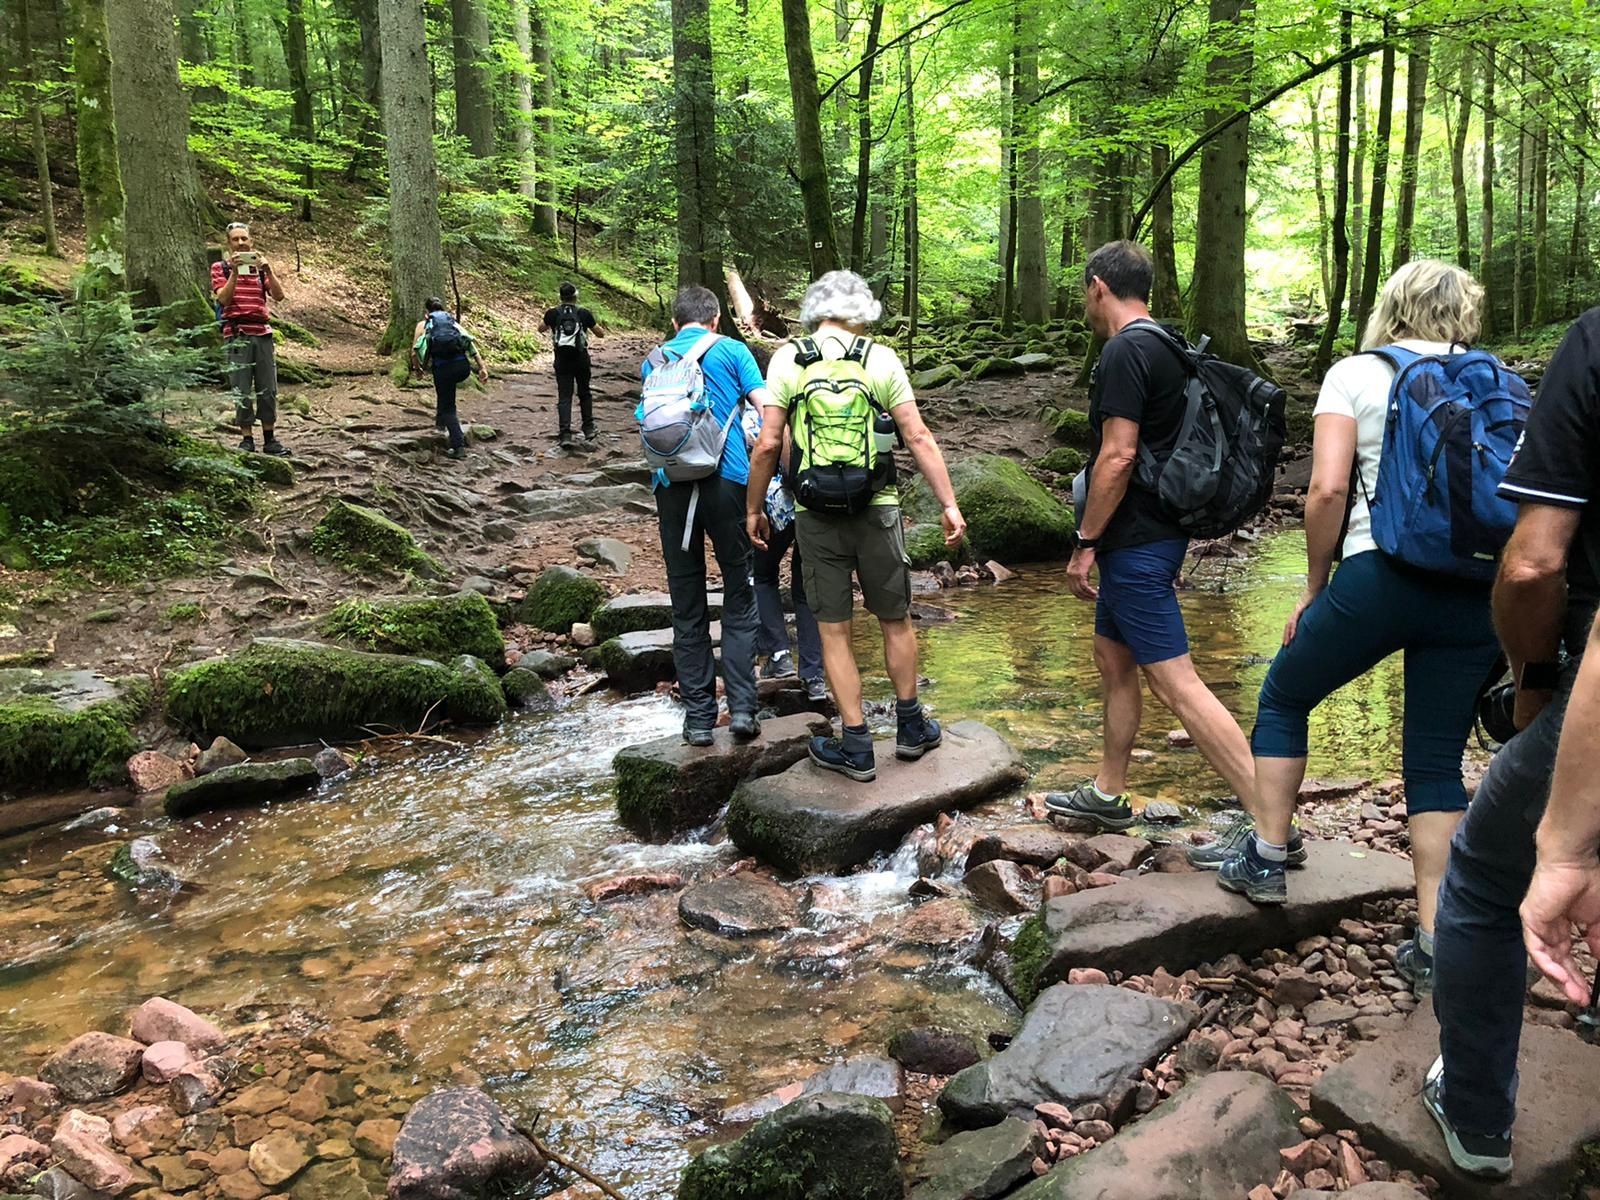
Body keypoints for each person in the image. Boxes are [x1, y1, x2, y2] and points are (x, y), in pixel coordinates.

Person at [1209, 262, 1502, 982]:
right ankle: (1436, 943)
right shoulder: (1495, 379)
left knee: (1285, 694)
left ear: (1391, 306)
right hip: (1477, 589)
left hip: (1381, 576)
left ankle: (1266, 857)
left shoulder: (1357, 373)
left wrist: (1315, 584)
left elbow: (1327, 488)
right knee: (1435, 760)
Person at [1423, 305, 1600, 1180]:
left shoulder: (1594, 342)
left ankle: (1477, 1116)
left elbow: (1534, 562)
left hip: (1587, 681)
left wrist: (1533, 680)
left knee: (1489, 878)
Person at [1048, 240, 1256, 829]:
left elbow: (1118, 456)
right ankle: (1108, 793)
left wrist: (1085, 543)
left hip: (1137, 542)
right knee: (1113, 658)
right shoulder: (1167, 343)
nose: (1085, 307)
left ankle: (1273, 821)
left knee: (1176, 683)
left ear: (1098, 287)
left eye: (1085, 295)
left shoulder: (1124, 351)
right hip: (1149, 534)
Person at [748, 270, 964, 783]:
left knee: (833, 629)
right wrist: (949, 503)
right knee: (895, 618)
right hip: (878, 506)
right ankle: (910, 728)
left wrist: (753, 508)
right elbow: (918, 435)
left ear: (814, 310)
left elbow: (769, 443)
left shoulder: (787, 359)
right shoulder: (880, 359)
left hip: (815, 514)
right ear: (862, 311)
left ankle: (857, 745)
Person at [642, 286, 767, 746]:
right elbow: (766, 412)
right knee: (739, 592)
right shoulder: (733, 351)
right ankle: (742, 711)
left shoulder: (655, 360)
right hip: (727, 481)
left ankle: (698, 720)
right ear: (715, 320)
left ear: (676, 323)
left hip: (671, 486)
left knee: (686, 601)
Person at [751, 415, 826, 702]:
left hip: (777, 503)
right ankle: (814, 676)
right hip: (817, 498)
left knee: (761, 575)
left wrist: (753, 508)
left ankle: (779, 655)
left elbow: (768, 445)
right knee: (807, 586)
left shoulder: (764, 401)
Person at [211, 221, 289, 456]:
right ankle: (247, 439)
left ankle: (270, 438)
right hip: (237, 334)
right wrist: (235, 272)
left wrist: (269, 271)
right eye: (235, 239)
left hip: (262, 333)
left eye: (244, 238)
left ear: (251, 241)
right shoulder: (220, 268)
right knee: (241, 387)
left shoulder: (259, 269)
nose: (240, 243)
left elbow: (279, 296)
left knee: (268, 387)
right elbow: (223, 299)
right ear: (229, 243)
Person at [410, 298, 488, 461]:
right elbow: (470, 344)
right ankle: (440, 424)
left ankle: (458, 446)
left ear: (426, 313)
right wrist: (482, 368)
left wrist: (418, 370)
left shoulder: (423, 325)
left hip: (442, 368)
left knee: (448, 408)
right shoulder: (451, 322)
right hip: (462, 367)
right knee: (445, 394)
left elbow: (414, 352)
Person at [544, 282, 599, 447]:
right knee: (585, 393)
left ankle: (565, 434)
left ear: (560, 297)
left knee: (564, 396)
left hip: (561, 360)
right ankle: (588, 428)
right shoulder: (583, 313)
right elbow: (600, 333)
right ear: (575, 296)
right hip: (581, 359)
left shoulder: (553, 313)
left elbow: (540, 328)